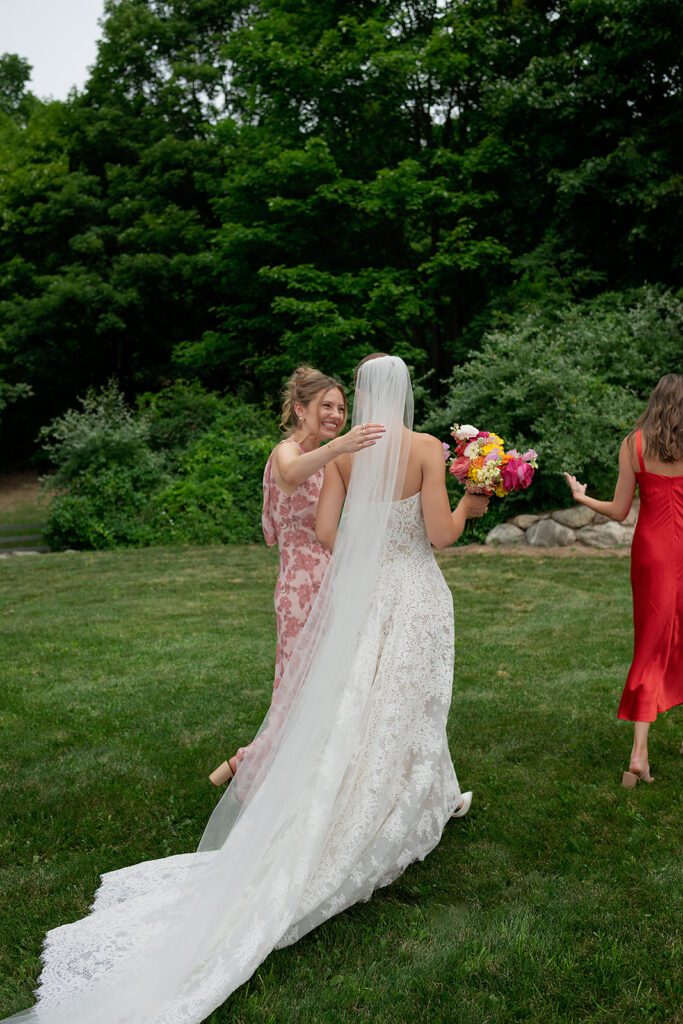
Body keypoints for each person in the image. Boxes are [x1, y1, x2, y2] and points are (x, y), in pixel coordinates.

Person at [2, 355, 487, 1024]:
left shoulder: (342, 456)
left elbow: (323, 534)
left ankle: (420, 794)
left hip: (366, 593)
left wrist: (366, 553)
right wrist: (474, 499)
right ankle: (401, 805)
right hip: (415, 593)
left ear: (363, 394)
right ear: (407, 393)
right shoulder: (428, 449)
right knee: (412, 700)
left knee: (363, 706)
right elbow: (440, 534)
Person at [210, 365, 384, 784]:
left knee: (335, 683)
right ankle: (242, 767)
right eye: (326, 406)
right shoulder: (287, 452)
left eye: (341, 408)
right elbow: (290, 475)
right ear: (300, 409)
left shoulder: (332, 458)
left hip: (334, 579)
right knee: (297, 690)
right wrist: (339, 446)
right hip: (300, 589)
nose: (336, 414)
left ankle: (322, 776)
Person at [564, 373, 683, 786]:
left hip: (651, 551)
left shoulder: (633, 445)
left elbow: (618, 510)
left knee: (651, 644)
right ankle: (640, 752)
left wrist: (582, 497)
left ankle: (639, 754)